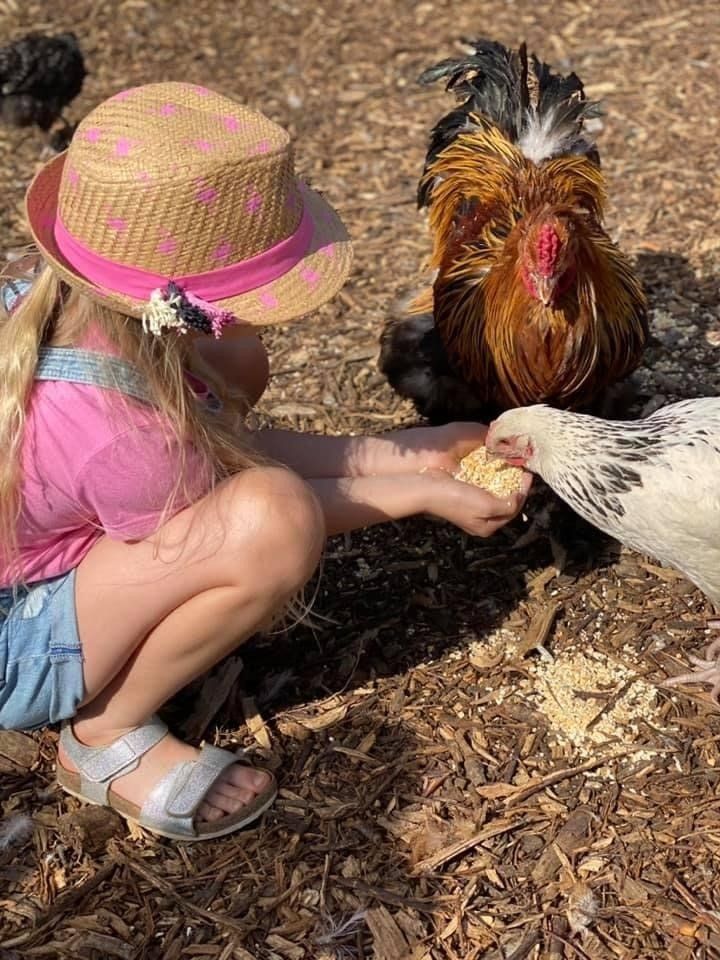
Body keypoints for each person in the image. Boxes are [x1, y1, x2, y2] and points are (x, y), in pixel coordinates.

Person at [0, 82, 531, 841]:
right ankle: (102, 737)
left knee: (236, 365)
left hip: (48, 553)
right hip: (14, 643)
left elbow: (223, 456)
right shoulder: (124, 431)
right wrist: (419, 492)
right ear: (179, 306)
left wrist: (407, 452)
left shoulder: (64, 314)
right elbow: (248, 509)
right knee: (276, 523)